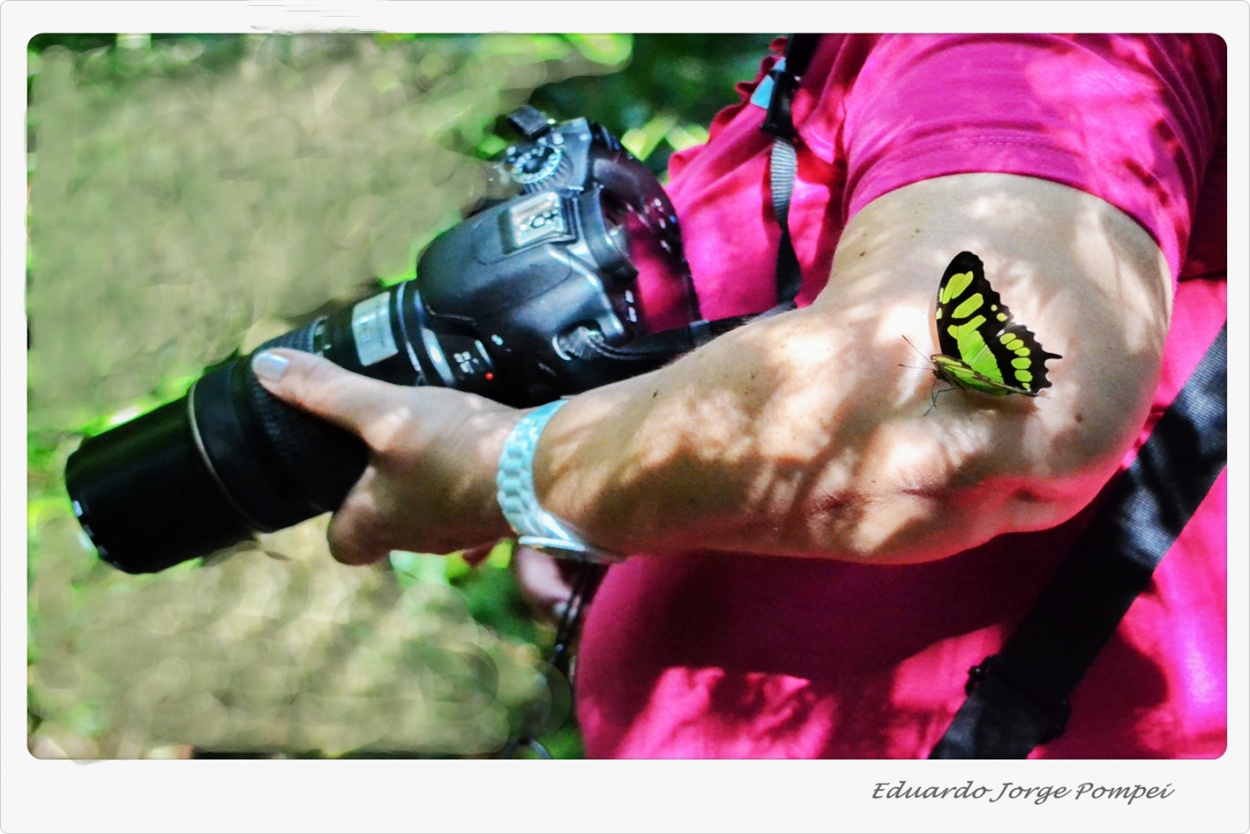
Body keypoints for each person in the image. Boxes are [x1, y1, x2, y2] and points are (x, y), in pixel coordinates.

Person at [248, 34, 1226, 758]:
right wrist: (606, 513)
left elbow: (946, 420)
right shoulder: (822, 68)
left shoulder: (1011, 42)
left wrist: (509, 468)